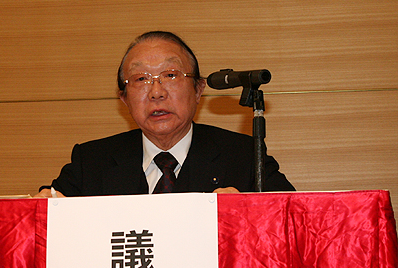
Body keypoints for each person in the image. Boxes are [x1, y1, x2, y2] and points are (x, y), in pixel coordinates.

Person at [35, 31, 294, 198]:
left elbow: (294, 221)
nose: (156, 92)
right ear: (123, 98)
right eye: (140, 79)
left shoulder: (243, 156)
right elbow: (43, 221)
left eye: (171, 75)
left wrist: (247, 214)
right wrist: (43, 208)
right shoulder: (90, 162)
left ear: (198, 89)